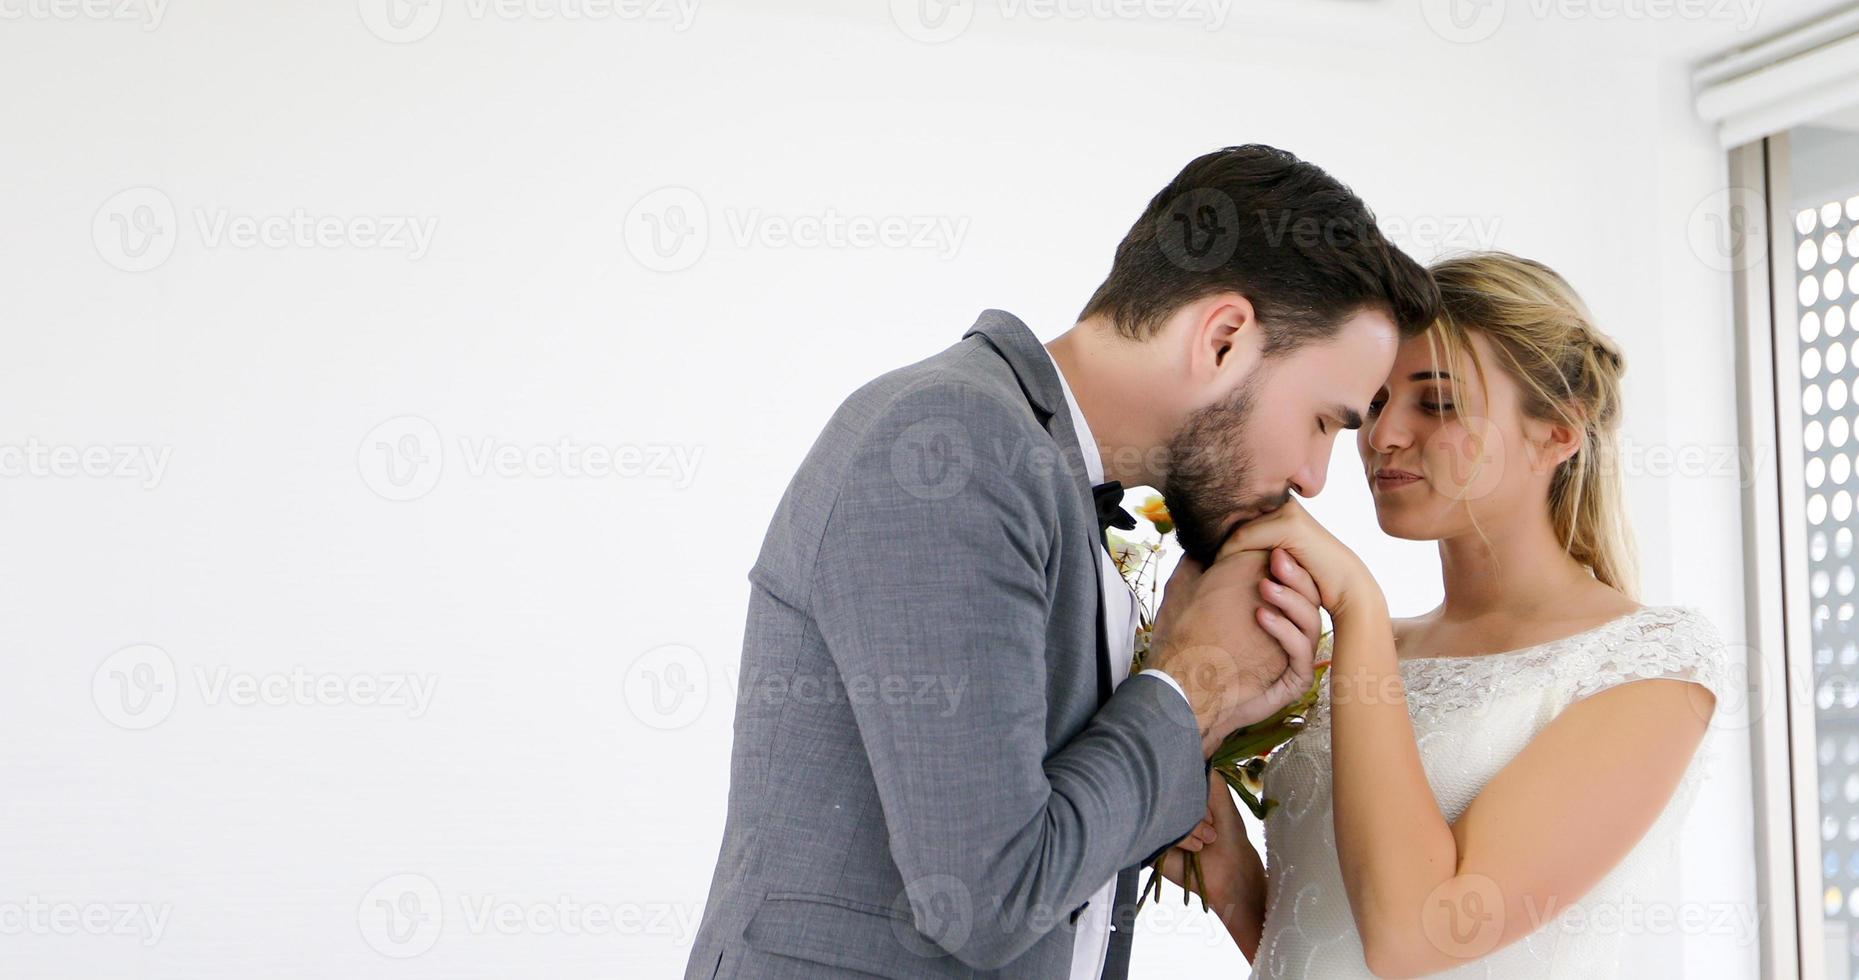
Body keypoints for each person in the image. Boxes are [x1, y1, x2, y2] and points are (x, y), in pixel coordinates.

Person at [681, 145, 1439, 980]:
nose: (1312, 478)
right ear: (1223, 339)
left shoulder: (1072, 485)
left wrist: (1200, 718)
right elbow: (987, 896)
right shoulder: (951, 447)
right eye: (1323, 422)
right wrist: (1196, 688)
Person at [1169, 252, 1736, 978]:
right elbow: (1323, 950)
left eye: (1435, 403)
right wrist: (1236, 884)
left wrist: (1360, 606)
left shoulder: (1651, 664)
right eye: (1374, 403)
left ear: (1558, 431)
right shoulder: (1339, 654)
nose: (1380, 437)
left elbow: (1413, 939)